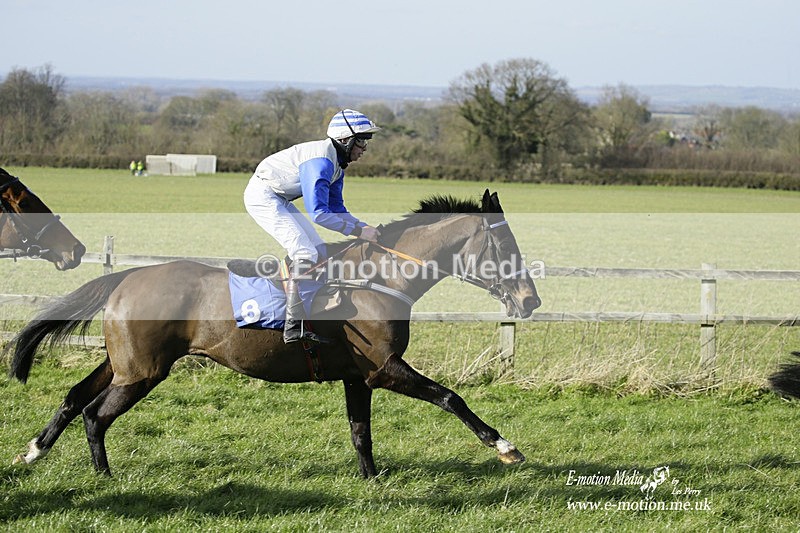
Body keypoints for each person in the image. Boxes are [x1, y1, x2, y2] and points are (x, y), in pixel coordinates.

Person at [244, 109, 382, 344]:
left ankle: (310, 313)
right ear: (345, 140)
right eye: (361, 141)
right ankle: (292, 326)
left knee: (318, 251)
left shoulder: (336, 165)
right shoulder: (321, 163)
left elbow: (336, 209)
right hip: (263, 196)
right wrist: (358, 231)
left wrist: (363, 227)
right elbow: (319, 214)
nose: (365, 148)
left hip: (279, 198)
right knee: (305, 253)